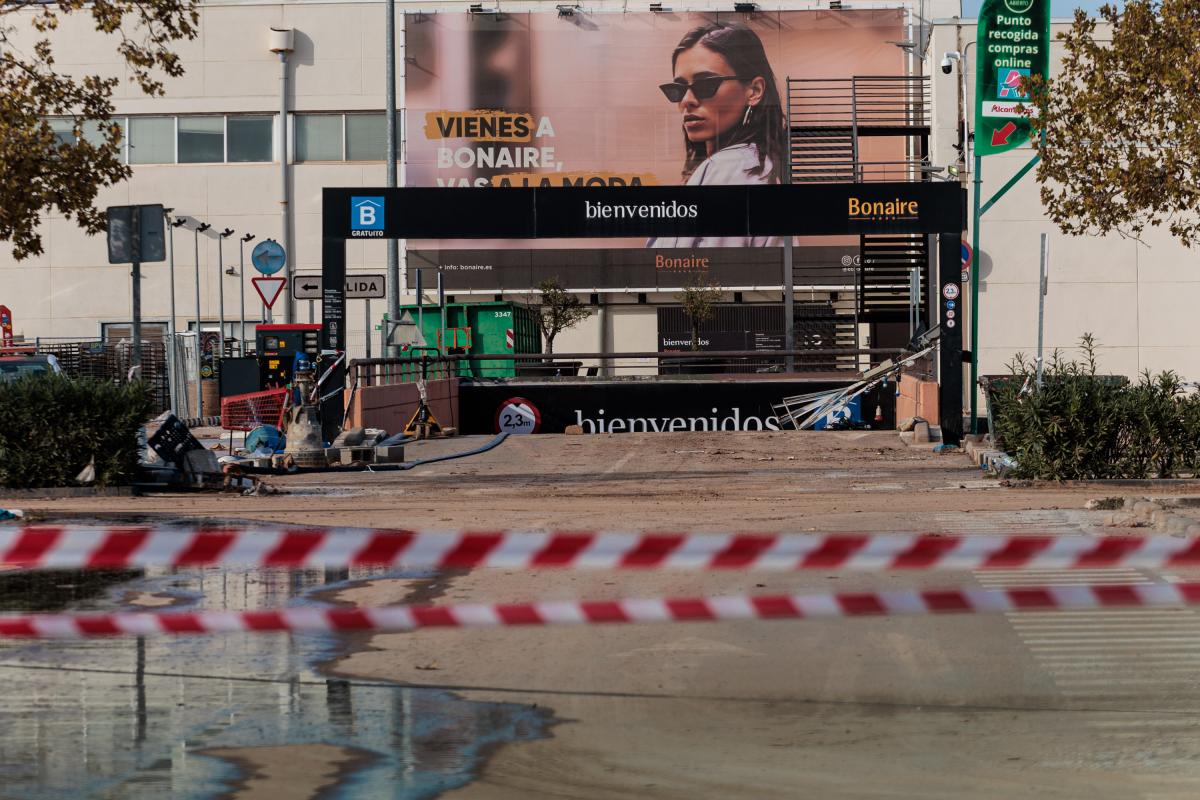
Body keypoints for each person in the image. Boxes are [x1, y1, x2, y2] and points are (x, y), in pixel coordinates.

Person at [648, 22, 786, 249]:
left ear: (754, 91)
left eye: (706, 85)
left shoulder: (730, 168)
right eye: (678, 89)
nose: (686, 101)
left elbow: (708, 267)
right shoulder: (755, 167)